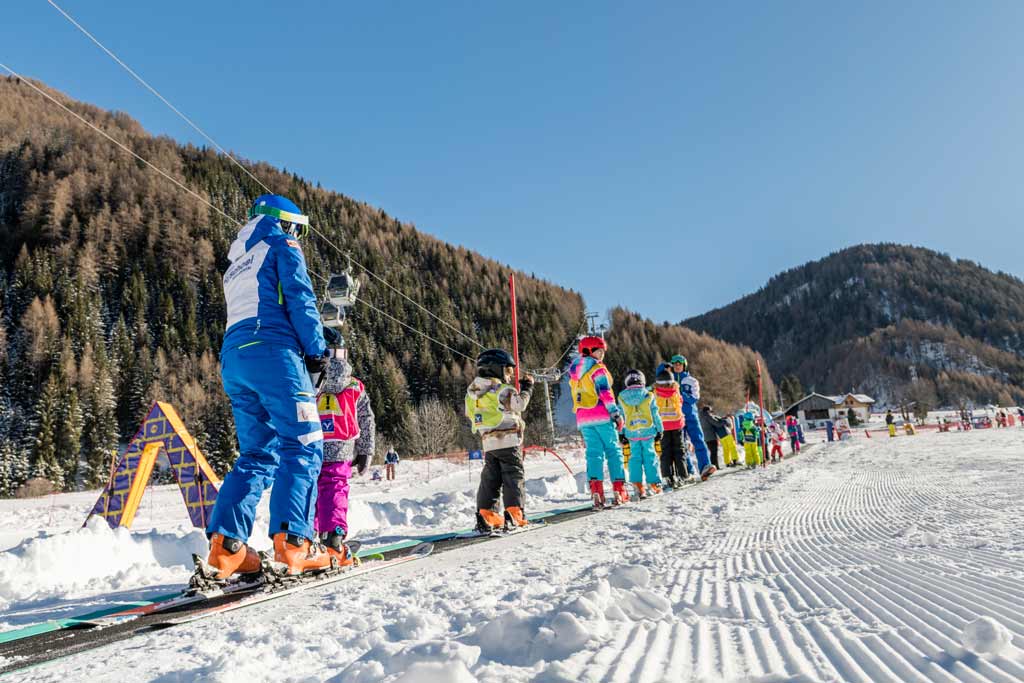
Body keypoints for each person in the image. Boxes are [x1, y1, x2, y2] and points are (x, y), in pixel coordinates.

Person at [205, 194, 333, 578]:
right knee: (304, 443)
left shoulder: (236, 263)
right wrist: (317, 351)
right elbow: (300, 297)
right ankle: (295, 543)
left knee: (258, 454)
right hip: (274, 354)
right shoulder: (283, 243)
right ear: (288, 223)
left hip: (235, 359)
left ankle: (227, 548)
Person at [313, 353, 374, 567]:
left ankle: (308, 538)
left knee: (310, 491)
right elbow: (366, 419)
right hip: (341, 445)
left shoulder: (309, 379)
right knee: (335, 488)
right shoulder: (355, 386)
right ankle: (333, 538)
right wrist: (366, 450)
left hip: (312, 444)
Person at [465, 348, 534, 532]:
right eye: (508, 370)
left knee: (490, 479)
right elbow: (520, 405)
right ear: (495, 369)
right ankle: (514, 514)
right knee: (513, 475)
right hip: (509, 439)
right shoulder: (501, 389)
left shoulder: (471, 393)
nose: (510, 375)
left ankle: (487, 516)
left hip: (489, 442)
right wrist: (527, 388)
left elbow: (469, 413)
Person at [569, 336, 629, 508]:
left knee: (594, 453)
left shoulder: (574, 372)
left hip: (583, 418)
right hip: (601, 415)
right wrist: (615, 414)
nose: (602, 355)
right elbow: (605, 394)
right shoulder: (597, 368)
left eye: (603, 352)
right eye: (598, 351)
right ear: (588, 351)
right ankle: (619, 489)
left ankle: (597, 492)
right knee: (613, 451)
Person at [658, 355, 715, 480]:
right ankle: (688, 470)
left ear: (684, 365)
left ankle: (705, 466)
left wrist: (679, 393)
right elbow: (659, 376)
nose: (677, 366)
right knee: (681, 445)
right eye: (675, 364)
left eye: (680, 364)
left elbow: (694, 397)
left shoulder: (691, 380)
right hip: (676, 418)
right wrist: (664, 367)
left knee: (698, 440)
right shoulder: (669, 380)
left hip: (690, 415)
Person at [616, 369, 663, 499]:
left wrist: (621, 433)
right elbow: (655, 413)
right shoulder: (648, 395)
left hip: (631, 433)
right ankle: (653, 484)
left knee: (635, 458)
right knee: (650, 457)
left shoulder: (621, 397)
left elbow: (621, 416)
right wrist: (660, 429)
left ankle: (637, 486)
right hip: (648, 431)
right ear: (642, 381)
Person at [653, 368, 690, 486]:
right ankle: (683, 475)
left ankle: (667, 477)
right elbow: (681, 402)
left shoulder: (655, 393)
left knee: (665, 453)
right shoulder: (675, 390)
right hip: (676, 424)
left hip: (662, 426)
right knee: (679, 451)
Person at [699, 405, 723, 470]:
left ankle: (714, 465)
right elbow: (716, 423)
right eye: (710, 410)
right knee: (714, 452)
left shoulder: (700, 416)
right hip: (711, 436)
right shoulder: (707, 416)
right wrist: (723, 421)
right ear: (707, 410)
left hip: (705, 437)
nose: (711, 412)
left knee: (712, 452)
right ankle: (715, 466)